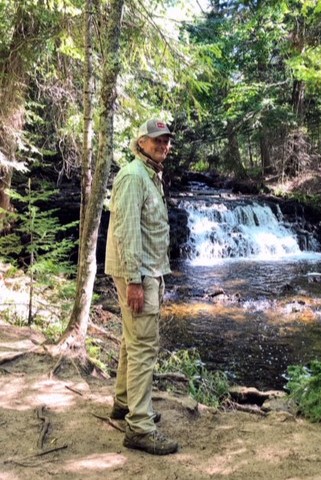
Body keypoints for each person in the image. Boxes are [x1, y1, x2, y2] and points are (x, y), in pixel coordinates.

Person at [105, 117, 178, 455]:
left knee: (130, 341)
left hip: (146, 271)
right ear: (142, 143)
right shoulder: (134, 177)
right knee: (144, 347)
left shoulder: (148, 175)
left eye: (165, 141)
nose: (163, 145)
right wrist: (135, 280)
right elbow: (128, 232)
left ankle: (124, 404)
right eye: (157, 140)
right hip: (140, 274)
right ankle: (140, 427)